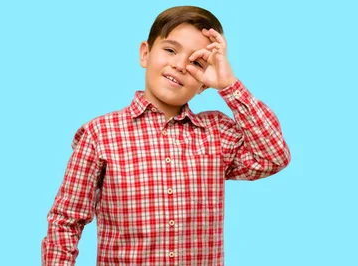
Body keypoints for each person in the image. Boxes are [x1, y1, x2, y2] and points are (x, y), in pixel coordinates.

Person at [41, 5, 291, 265]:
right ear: (145, 53)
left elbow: (274, 157)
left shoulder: (217, 133)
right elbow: (66, 221)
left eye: (196, 62)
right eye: (171, 50)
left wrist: (229, 85)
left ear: (204, 82)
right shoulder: (100, 134)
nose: (180, 65)